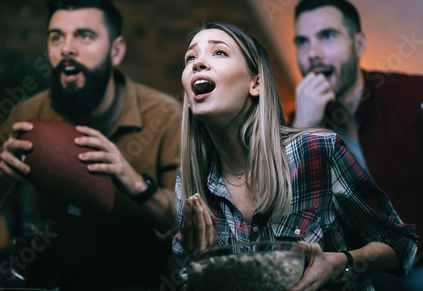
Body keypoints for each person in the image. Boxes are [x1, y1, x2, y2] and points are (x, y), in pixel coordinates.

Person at [0, 0, 182, 290]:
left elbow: (186, 223)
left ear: (116, 51)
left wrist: (134, 183)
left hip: (140, 280)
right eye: (56, 37)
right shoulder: (29, 113)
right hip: (49, 278)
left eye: (85, 36)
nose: (66, 49)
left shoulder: (166, 116)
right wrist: (0, 176)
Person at [171, 22, 417, 290]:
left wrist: (340, 262)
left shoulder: (317, 149)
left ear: (255, 83)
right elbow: (187, 283)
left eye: (219, 52)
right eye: (191, 58)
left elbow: (401, 243)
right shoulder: (190, 183)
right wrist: (201, 259)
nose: (198, 64)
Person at [291, 0, 423, 290]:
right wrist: (304, 128)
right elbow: (287, 219)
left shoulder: (412, 96)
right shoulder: (296, 124)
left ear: (358, 44)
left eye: (327, 36)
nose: (312, 53)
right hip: (356, 275)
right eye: (302, 41)